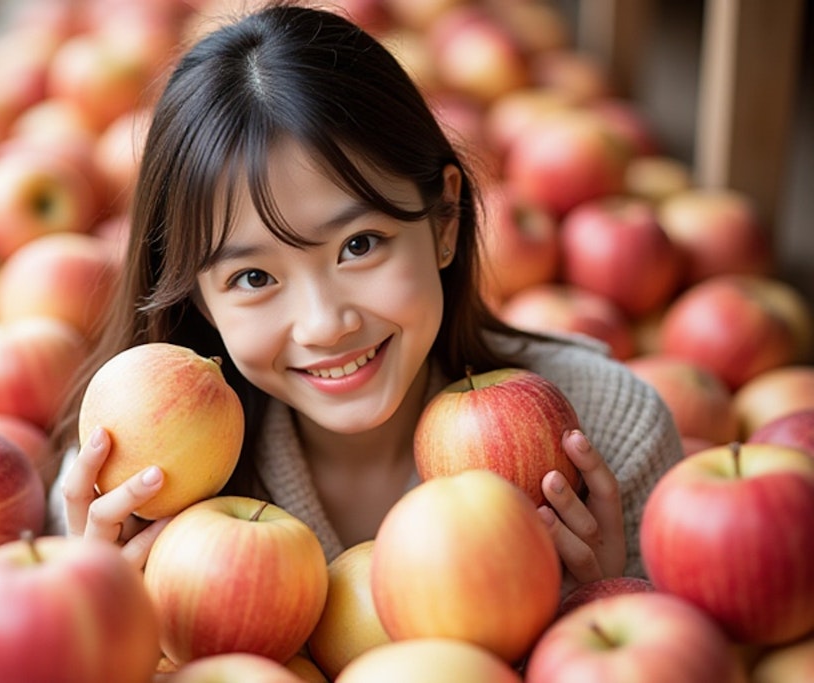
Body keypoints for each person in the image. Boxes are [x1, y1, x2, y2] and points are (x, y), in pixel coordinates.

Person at [48, 2, 682, 591]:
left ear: (445, 221)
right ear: (199, 299)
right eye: (253, 278)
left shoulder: (608, 434)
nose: (325, 324)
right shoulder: (128, 488)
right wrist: (114, 619)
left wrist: (596, 601)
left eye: (360, 245)